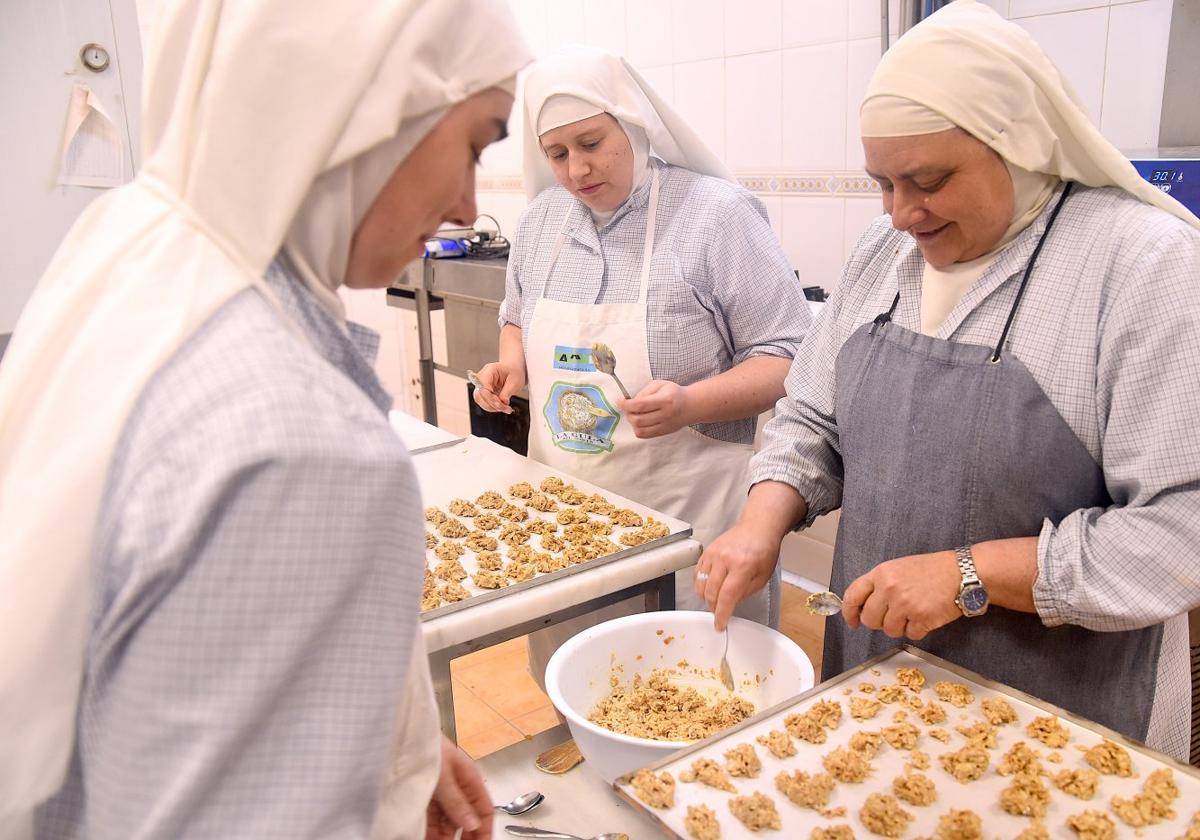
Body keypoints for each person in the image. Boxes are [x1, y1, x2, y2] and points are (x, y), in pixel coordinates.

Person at [0, 1, 531, 838]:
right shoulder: (301, 450)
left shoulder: (143, 249)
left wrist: (387, 754)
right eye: (474, 142)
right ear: (364, 100)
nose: (469, 203)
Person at [697, 0, 1200, 761]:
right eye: (882, 184)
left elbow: (1179, 531)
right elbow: (812, 418)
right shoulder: (884, 255)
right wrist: (759, 525)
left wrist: (971, 574)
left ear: (1019, 144)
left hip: (1059, 708)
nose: (900, 214)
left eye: (928, 180)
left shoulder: (1141, 265)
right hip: (880, 674)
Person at [473, 49, 811, 674]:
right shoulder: (543, 219)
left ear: (631, 126)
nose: (577, 169)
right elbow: (515, 314)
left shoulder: (716, 216)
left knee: (699, 688)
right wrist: (510, 366)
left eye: (592, 142)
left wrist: (691, 404)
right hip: (571, 513)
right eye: (557, 153)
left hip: (691, 511)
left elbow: (792, 357)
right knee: (582, 677)